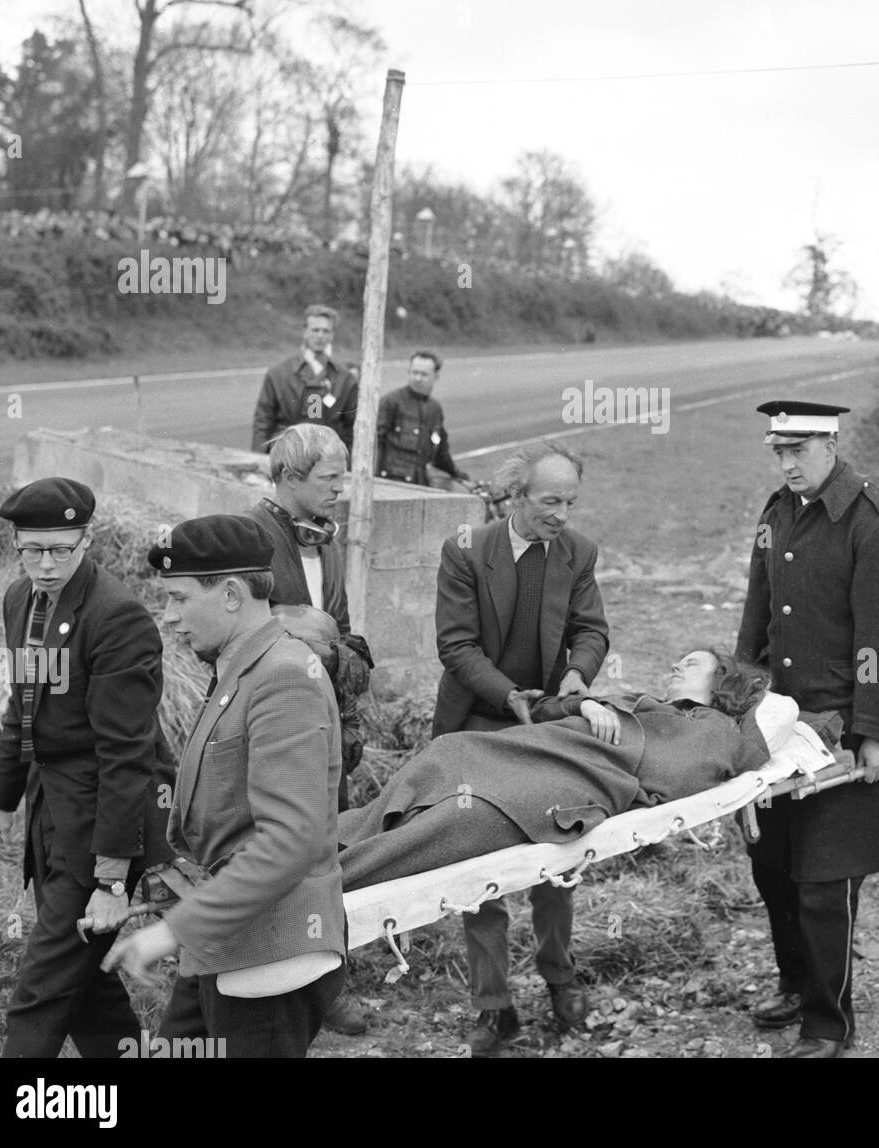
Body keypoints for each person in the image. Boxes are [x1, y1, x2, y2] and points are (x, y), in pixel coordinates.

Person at [105, 515, 346, 1058]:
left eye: (179, 598)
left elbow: (290, 841)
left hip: (269, 963)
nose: (168, 617)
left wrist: (176, 929)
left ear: (232, 593)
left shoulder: (281, 676)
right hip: (226, 944)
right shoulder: (243, 667)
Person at [736, 399, 879, 1059]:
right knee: (773, 865)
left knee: (825, 878)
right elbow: (758, 617)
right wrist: (742, 702)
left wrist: (877, 732)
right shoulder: (776, 512)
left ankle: (828, 1023)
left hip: (842, 728)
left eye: (799, 450)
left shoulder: (872, 524)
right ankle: (794, 983)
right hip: (782, 722)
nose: (787, 463)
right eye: (778, 451)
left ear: (830, 444)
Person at [0, 477, 174, 1058]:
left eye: (60, 549)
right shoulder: (21, 599)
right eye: (30, 548)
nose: (44, 564)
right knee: (88, 989)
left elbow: (127, 753)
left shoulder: (118, 619)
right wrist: (0, 798)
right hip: (50, 809)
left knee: (40, 992)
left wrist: (112, 878)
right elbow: (25, 705)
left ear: (87, 539)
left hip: (100, 825)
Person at [339, 649, 796, 887]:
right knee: (444, 753)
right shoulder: (641, 702)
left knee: (462, 815)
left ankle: (328, 881)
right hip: (522, 752)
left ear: (721, 682)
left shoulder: (715, 732)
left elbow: (677, 776)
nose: (676, 665)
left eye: (691, 663)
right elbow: (544, 709)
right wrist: (589, 702)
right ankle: (318, 850)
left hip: (558, 788)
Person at [433, 439, 608, 1056]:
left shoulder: (577, 553)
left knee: (559, 859)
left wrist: (578, 677)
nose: (561, 514)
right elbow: (456, 647)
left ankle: (560, 978)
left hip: (549, 729)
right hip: (476, 727)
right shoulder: (466, 552)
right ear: (516, 497)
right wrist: (511, 697)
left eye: (570, 502)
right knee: (478, 869)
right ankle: (492, 1006)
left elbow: (591, 628)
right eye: (550, 501)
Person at [245, 422, 374, 1035]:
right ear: (290, 478)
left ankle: (329, 982)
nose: (341, 489)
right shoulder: (250, 538)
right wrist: (315, 644)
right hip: (274, 725)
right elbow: (235, 638)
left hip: (327, 723)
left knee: (328, 853)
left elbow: (340, 625)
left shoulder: (327, 538)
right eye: (331, 478)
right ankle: (276, 977)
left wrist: (339, 651)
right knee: (281, 850)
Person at [252, 303, 359, 457]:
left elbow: (351, 427)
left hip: (327, 459)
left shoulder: (345, 379)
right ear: (305, 332)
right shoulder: (278, 374)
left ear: (332, 335)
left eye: (326, 331)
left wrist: (347, 464)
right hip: (286, 456)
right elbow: (263, 422)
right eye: (315, 330)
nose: (320, 336)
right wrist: (259, 460)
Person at [376, 349, 470, 487]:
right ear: (408, 372)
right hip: (390, 483)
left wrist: (458, 474)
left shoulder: (435, 409)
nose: (418, 378)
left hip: (420, 484)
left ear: (436, 376)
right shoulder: (391, 402)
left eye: (424, 374)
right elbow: (373, 443)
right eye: (414, 372)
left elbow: (441, 454)